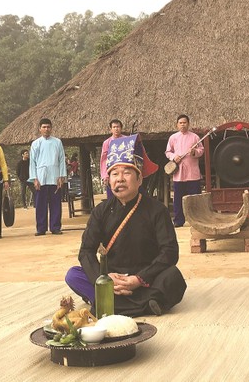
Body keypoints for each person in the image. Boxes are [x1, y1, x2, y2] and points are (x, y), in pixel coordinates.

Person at [65, 133, 186, 316]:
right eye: (114, 173)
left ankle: (108, 302)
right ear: (109, 181)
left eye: (126, 172)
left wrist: (139, 279)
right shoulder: (101, 211)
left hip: (146, 277)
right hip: (112, 278)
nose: (120, 178)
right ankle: (147, 303)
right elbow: (86, 251)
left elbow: (169, 251)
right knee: (73, 275)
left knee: (173, 277)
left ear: (139, 179)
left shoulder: (157, 210)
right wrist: (103, 277)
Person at [29, 118, 67, 236]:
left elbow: (61, 160)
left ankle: (55, 227)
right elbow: (32, 162)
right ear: (40, 129)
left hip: (55, 176)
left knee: (55, 203)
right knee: (41, 204)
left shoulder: (57, 142)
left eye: (48, 127)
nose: (46, 129)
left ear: (51, 128)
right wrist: (34, 178)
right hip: (41, 178)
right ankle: (41, 228)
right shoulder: (36, 144)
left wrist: (61, 176)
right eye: (44, 127)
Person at [165, 114, 204, 228]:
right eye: (180, 123)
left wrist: (194, 152)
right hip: (179, 174)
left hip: (192, 173)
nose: (183, 125)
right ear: (177, 125)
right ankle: (178, 220)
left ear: (188, 124)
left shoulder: (195, 137)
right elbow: (168, 152)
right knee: (178, 199)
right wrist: (173, 157)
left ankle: (197, 221)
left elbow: (201, 150)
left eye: (185, 122)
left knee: (195, 198)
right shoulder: (173, 138)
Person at [100, 119, 124, 199]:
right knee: (112, 198)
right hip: (112, 172)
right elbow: (104, 160)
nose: (116, 129)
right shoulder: (107, 142)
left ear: (121, 128)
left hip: (124, 170)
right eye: (114, 127)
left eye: (118, 127)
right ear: (111, 129)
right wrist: (105, 175)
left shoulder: (127, 140)